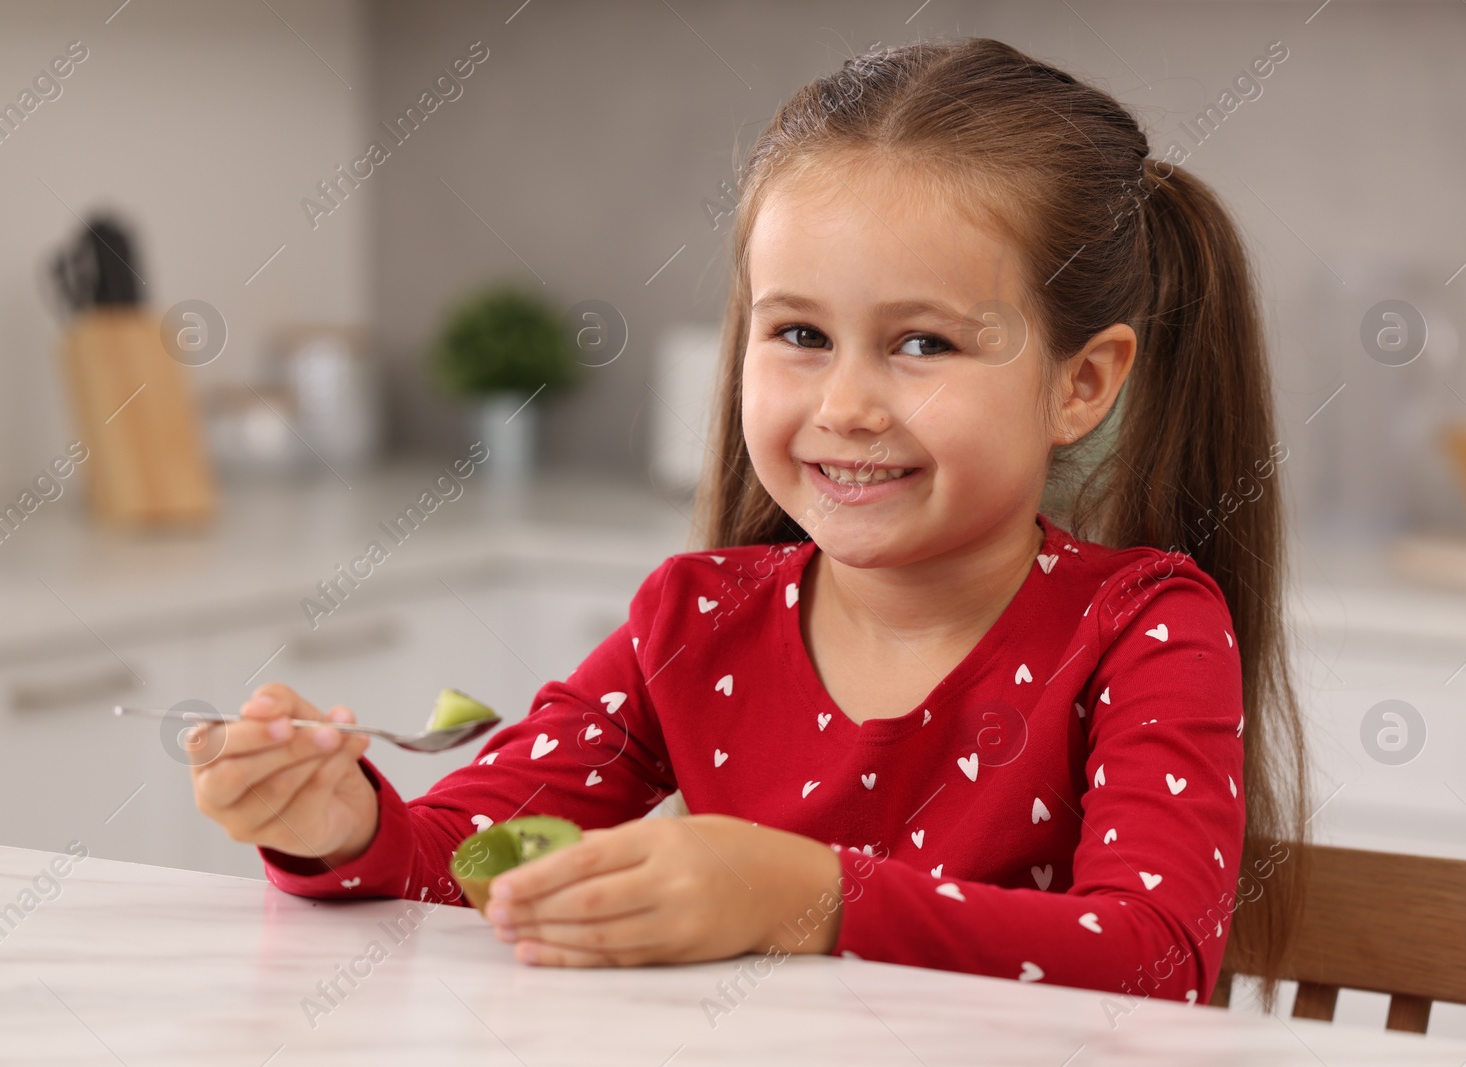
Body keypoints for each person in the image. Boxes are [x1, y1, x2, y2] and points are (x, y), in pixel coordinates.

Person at [188, 36, 1307, 1008]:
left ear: (1082, 382)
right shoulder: (694, 617)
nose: (845, 405)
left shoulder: (1143, 628)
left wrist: (800, 893)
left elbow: (1152, 958)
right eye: (800, 335)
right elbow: (473, 856)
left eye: (923, 343)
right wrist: (338, 821)